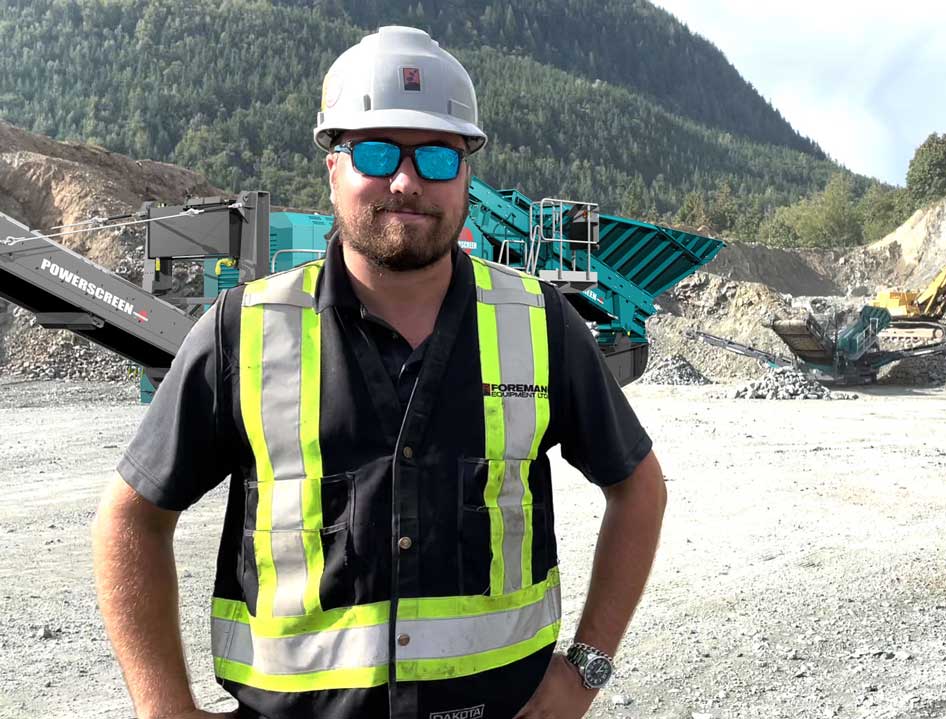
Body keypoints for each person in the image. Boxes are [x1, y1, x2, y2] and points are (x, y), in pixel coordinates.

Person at [91, 26, 666, 719]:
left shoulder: (539, 323)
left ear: (467, 173)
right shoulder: (243, 331)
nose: (405, 181)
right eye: (375, 151)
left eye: (436, 157)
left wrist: (585, 670)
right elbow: (130, 522)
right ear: (333, 167)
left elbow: (639, 490)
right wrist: (165, 708)